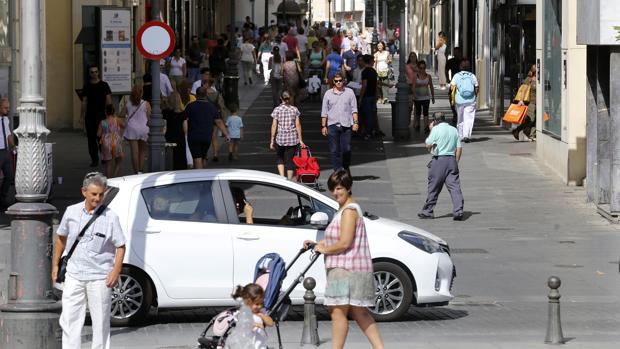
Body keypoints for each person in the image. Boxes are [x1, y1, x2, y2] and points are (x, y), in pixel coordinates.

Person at [302, 170, 384, 349]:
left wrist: (323, 249)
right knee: (360, 313)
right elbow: (340, 238)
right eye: (333, 189)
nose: (335, 192)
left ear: (349, 188)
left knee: (337, 313)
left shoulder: (349, 211)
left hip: (344, 270)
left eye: (339, 188)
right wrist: (318, 243)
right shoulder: (347, 209)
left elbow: (345, 242)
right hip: (355, 269)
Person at [52, 172, 126, 349]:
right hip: (74, 275)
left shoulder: (110, 217)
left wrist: (115, 271)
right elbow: (60, 238)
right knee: (70, 320)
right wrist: (55, 265)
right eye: (94, 194)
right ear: (84, 192)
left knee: (100, 323)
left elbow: (121, 246)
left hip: (100, 277)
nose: (98, 198)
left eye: (101, 194)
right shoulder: (71, 212)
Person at [418, 112, 464, 221]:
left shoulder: (435, 129)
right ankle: (458, 211)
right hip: (451, 160)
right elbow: (459, 148)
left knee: (433, 187)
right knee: (455, 187)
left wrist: (431, 130)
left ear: (434, 120)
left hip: (439, 161)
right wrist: (455, 162)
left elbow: (428, 144)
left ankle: (428, 211)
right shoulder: (453, 130)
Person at [321, 72, 359, 172]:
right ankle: (337, 170)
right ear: (333, 82)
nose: (338, 83)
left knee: (346, 149)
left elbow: (354, 109)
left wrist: (356, 122)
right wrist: (323, 126)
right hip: (332, 125)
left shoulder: (349, 92)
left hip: (346, 124)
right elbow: (324, 111)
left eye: (340, 81)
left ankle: (345, 167)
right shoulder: (328, 93)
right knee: (334, 150)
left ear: (344, 81)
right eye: (336, 81)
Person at [184, 86, 229, 169]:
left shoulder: (190, 106)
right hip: (206, 137)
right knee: (203, 157)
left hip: (194, 136)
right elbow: (218, 121)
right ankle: (204, 175)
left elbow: (184, 120)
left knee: (197, 159)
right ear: (206, 95)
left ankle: (200, 178)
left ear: (196, 95)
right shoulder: (212, 107)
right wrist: (226, 134)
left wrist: (185, 132)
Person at [270, 91, 306, 180]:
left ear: (281, 98)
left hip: (280, 138)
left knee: (280, 157)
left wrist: (272, 139)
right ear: (289, 98)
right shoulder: (294, 109)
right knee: (290, 160)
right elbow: (298, 125)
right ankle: (289, 181)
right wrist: (300, 140)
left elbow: (274, 125)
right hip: (292, 138)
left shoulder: (277, 110)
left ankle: (282, 178)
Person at [81, 65, 112, 167]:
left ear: (98, 73)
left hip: (102, 115)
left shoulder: (104, 85)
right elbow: (84, 101)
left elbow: (108, 100)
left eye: (95, 72)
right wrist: (82, 116)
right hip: (90, 116)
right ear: (89, 74)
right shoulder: (87, 86)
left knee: (102, 138)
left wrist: (110, 114)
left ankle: (103, 156)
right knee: (91, 138)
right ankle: (94, 159)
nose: (94, 73)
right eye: (92, 72)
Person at [231, 283, 274, 348]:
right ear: (247, 302)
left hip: (260, 345)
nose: (260, 306)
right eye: (257, 304)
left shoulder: (261, 312)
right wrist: (256, 325)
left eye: (261, 303)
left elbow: (271, 323)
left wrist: (262, 315)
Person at [120, 84, 151, 174]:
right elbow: (149, 117)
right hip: (144, 128)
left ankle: (136, 172)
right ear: (142, 93)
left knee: (134, 152)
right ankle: (141, 170)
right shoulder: (146, 104)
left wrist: (126, 118)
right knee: (142, 151)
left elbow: (121, 115)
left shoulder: (128, 103)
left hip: (132, 129)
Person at [450, 59, 479, 142]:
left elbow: (452, 87)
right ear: (469, 67)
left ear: (460, 67)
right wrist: (475, 95)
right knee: (469, 118)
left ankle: (460, 135)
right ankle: (467, 135)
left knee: (460, 118)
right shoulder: (472, 76)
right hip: (471, 100)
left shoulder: (456, 76)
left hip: (459, 101)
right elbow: (476, 87)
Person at [204, 78, 230, 162]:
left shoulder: (203, 94)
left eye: (204, 83)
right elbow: (221, 106)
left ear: (207, 84)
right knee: (214, 136)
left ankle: (205, 155)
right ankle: (215, 154)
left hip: (206, 117)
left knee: (206, 136)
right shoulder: (217, 94)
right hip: (215, 116)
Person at [162, 91, 188, 170]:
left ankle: (169, 168)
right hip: (180, 136)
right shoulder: (183, 113)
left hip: (169, 136)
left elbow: (164, 127)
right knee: (180, 155)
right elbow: (185, 128)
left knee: (169, 155)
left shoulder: (165, 112)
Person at [512, 63, 537, 142]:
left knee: (537, 119)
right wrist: (521, 100)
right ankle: (518, 130)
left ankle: (532, 135)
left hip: (539, 103)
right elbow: (524, 91)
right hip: (531, 102)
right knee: (531, 119)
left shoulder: (541, 78)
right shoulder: (529, 79)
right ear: (534, 71)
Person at [97, 104, 124, 178]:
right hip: (116, 142)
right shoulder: (117, 120)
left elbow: (98, 134)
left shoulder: (102, 122)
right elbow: (124, 126)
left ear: (105, 112)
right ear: (114, 112)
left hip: (106, 143)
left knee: (108, 164)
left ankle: (109, 180)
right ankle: (114, 177)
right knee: (118, 162)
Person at [412, 60, 436, 134]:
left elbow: (431, 86)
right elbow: (413, 86)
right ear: (418, 68)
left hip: (426, 97)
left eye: (423, 68)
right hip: (417, 98)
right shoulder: (415, 76)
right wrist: (414, 95)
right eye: (420, 68)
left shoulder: (428, 76)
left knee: (426, 112)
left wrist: (433, 97)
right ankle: (418, 124)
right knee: (418, 112)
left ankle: (426, 126)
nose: (422, 70)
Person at [359, 55, 378, 139]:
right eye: (373, 60)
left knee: (367, 115)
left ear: (364, 61)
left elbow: (364, 85)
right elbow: (376, 84)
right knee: (372, 114)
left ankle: (368, 132)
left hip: (367, 96)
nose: (374, 62)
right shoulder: (373, 71)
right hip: (373, 95)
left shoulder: (365, 71)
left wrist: (360, 97)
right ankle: (372, 131)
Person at [0, 98, 15, 208]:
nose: (8, 110)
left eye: (8, 108)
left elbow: (8, 135)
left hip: (6, 152)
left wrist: (13, 146)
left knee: (9, 176)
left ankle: (2, 198)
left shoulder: (6, 120)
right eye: (5, 108)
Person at [445, 47, 463, 126]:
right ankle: (455, 113)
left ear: (460, 53)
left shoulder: (464, 61)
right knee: (451, 98)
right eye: (454, 52)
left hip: (463, 84)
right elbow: (446, 70)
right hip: (454, 83)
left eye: (457, 52)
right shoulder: (451, 61)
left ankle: (460, 114)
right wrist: (447, 79)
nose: (455, 54)